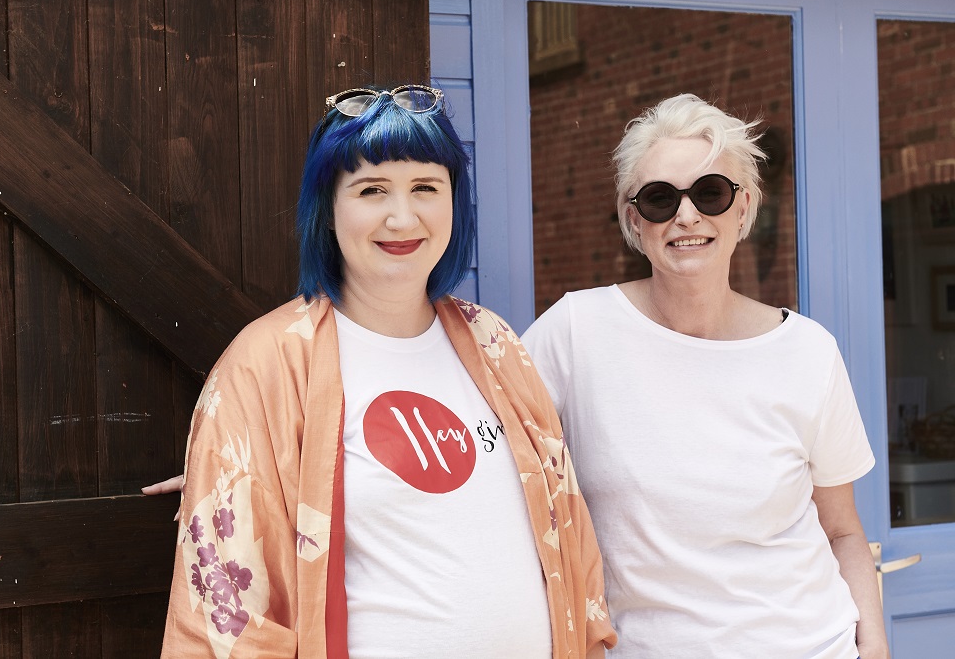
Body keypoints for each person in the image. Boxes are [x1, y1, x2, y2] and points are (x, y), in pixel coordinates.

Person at [157, 84, 616, 658]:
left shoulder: (494, 344)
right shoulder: (266, 365)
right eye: (372, 189)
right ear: (328, 207)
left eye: (426, 187)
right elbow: (226, 609)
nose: (403, 216)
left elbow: (572, 539)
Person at [521, 93, 887, 659]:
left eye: (710, 192)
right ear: (633, 219)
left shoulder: (809, 352)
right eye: (660, 199)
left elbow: (842, 531)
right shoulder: (574, 332)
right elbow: (505, 490)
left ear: (743, 210)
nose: (687, 216)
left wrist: (876, 646)